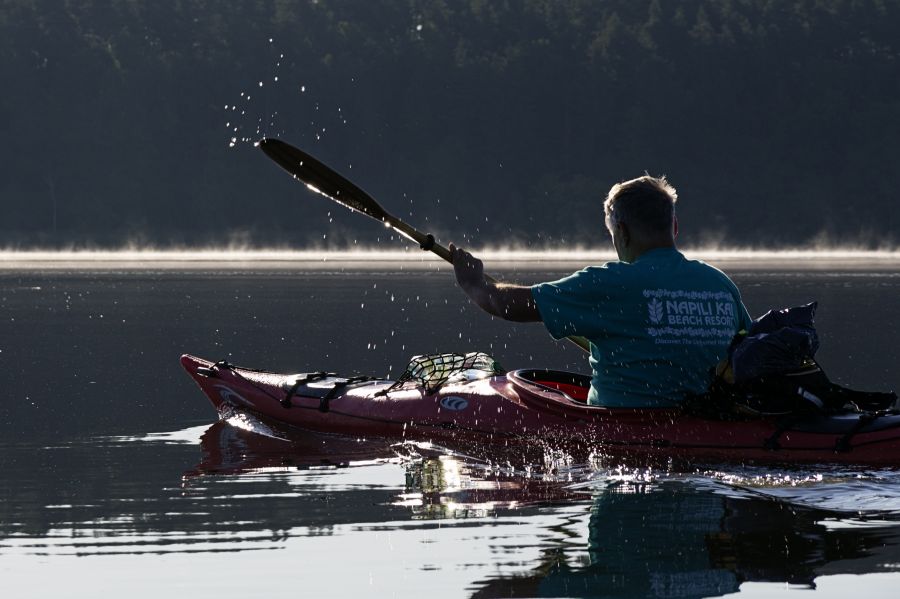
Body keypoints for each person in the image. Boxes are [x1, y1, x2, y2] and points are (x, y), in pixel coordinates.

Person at [450, 175, 752, 408]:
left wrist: (474, 284)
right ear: (674, 226)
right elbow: (750, 349)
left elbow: (507, 305)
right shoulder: (720, 284)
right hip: (706, 423)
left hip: (624, 432)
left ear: (621, 230)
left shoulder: (609, 283)